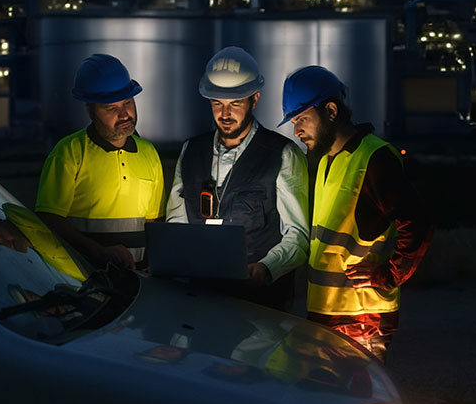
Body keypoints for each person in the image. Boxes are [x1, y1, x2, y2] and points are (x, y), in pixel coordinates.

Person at [280, 65, 434, 363]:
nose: (296, 131)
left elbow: (419, 223)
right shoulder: (328, 160)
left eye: (302, 119)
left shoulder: (374, 159)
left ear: (331, 111)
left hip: (361, 320)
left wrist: (388, 275)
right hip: (330, 315)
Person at [165, 46, 309, 311]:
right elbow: (176, 222)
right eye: (217, 103)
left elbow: (297, 235)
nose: (225, 113)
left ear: (255, 99)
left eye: (235, 103)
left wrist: (267, 268)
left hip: (261, 306)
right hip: (201, 300)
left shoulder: (282, 154)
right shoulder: (192, 150)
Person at [36, 54, 165, 271]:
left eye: (128, 103)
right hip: (86, 278)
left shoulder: (149, 153)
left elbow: (155, 225)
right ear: (90, 110)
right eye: (111, 108)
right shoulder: (69, 153)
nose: (124, 114)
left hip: (140, 281)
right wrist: (97, 252)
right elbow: (48, 220)